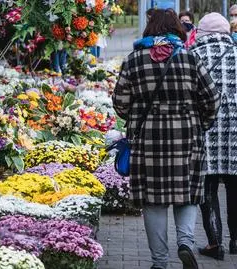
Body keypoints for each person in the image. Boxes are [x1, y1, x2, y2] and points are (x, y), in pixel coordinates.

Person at [113, 9, 221, 269]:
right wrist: (200, 125)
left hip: (148, 141)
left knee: (153, 200)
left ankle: (160, 262)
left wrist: (137, 117)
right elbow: (213, 99)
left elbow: (120, 103)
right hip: (187, 138)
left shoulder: (134, 60)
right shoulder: (190, 58)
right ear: (176, 28)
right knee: (187, 194)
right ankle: (185, 243)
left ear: (149, 28)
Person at [190, 12, 237, 261]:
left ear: (203, 33)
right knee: (234, 186)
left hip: (205, 130)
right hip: (236, 134)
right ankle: (236, 241)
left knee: (207, 187)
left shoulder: (194, 56)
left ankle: (215, 243)